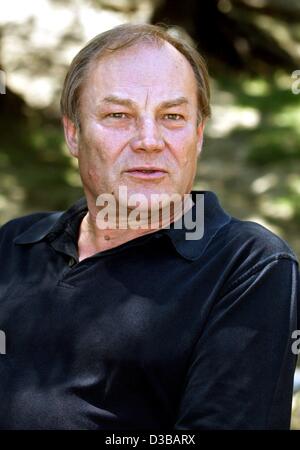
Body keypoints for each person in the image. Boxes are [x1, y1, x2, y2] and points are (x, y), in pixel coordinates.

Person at [0, 23, 299, 430]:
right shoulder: (15, 243)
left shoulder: (249, 266)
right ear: (73, 133)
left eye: (172, 116)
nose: (148, 140)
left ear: (198, 135)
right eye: (119, 115)